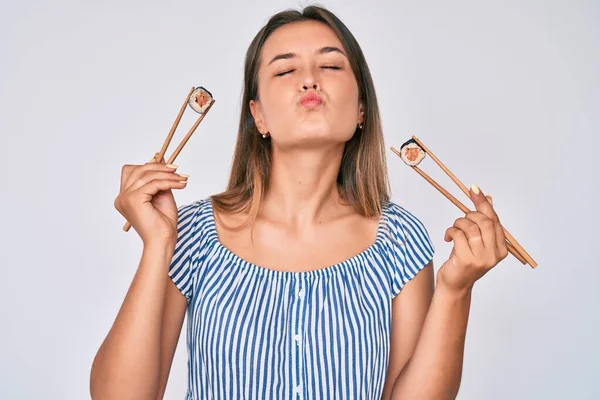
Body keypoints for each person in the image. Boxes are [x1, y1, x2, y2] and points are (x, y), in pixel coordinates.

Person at [90, 5, 507, 400]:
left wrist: (456, 289)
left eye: (329, 65)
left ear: (361, 108)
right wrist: (158, 244)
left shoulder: (399, 239)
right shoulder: (195, 233)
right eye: (286, 70)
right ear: (259, 116)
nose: (309, 80)